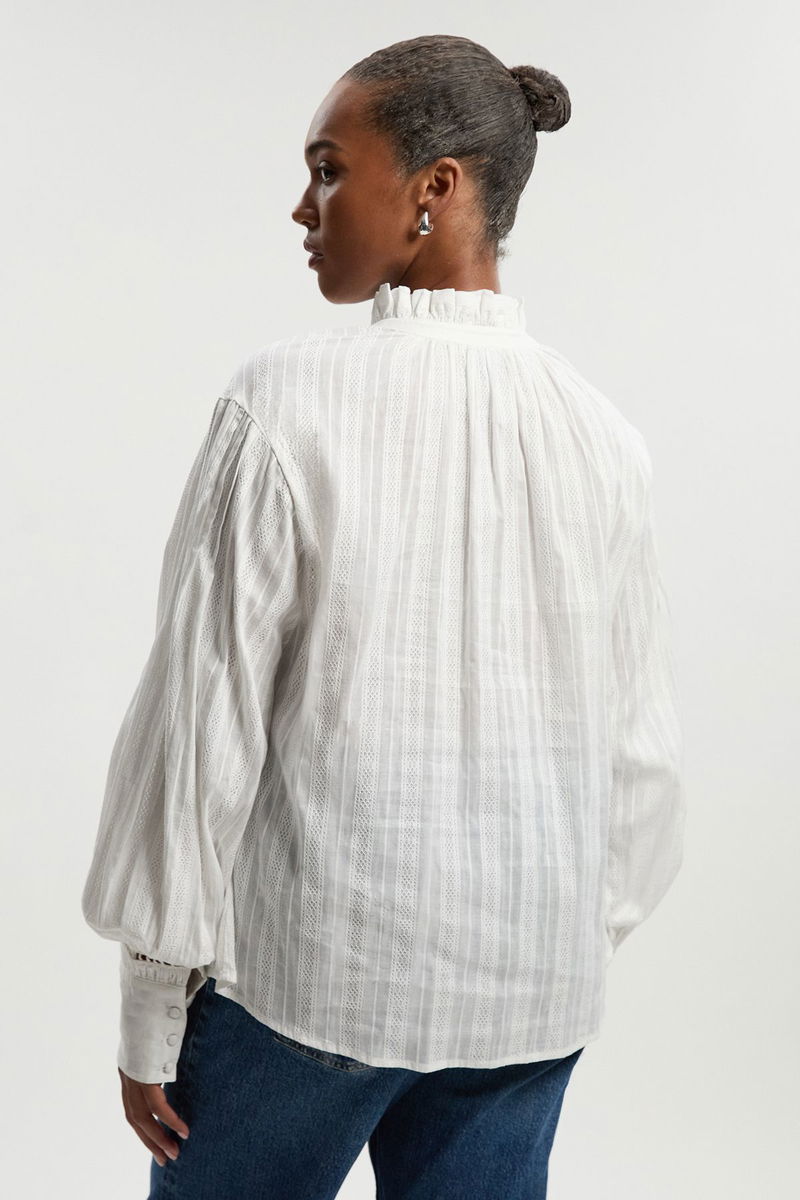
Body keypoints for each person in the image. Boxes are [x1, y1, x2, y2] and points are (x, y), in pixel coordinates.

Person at [80, 33, 685, 1200]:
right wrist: (549, 948)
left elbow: (201, 728)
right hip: (526, 1015)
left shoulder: (282, 405)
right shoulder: (602, 437)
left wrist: (153, 1003)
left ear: (433, 187)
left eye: (326, 169)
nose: (300, 207)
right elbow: (641, 763)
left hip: (309, 993)